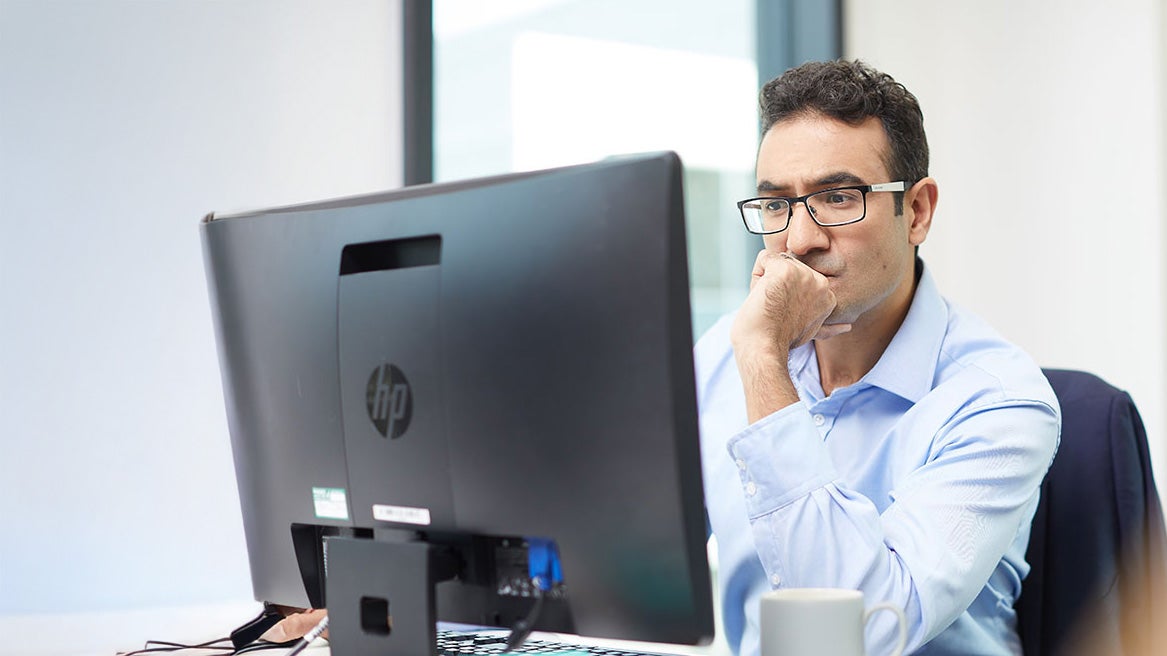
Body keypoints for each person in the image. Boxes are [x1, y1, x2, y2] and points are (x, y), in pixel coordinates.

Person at [697, 59, 1060, 655]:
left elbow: (857, 635)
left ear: (916, 212)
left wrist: (764, 362)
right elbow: (635, 565)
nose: (799, 240)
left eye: (839, 197)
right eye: (776, 205)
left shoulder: (1000, 401)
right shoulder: (715, 356)